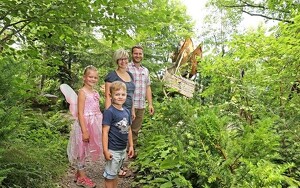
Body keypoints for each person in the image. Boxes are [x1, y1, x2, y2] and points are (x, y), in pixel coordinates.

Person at [67, 65, 102, 188]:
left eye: (95, 77)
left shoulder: (96, 92)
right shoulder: (82, 92)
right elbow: (80, 113)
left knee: (88, 148)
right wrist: (84, 131)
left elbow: (97, 108)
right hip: (85, 124)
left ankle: (78, 173)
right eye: (90, 77)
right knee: (81, 149)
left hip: (95, 123)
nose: (93, 79)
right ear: (84, 78)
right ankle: (82, 177)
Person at [102, 81, 134, 188]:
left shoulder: (126, 111)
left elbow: (129, 129)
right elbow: (105, 132)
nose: (120, 97)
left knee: (115, 173)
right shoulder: (109, 112)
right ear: (111, 96)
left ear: (126, 95)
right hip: (113, 149)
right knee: (109, 176)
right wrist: (105, 150)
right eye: (117, 94)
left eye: (123, 94)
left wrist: (131, 146)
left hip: (122, 149)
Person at [127, 45, 154, 155]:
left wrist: (150, 104)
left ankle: (130, 153)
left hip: (141, 105)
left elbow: (148, 87)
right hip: (128, 105)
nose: (138, 55)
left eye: (140, 53)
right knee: (124, 128)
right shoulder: (127, 68)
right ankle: (118, 155)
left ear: (142, 55)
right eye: (135, 53)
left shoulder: (145, 70)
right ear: (132, 54)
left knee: (135, 131)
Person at [104, 48, 136, 120]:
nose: (123, 61)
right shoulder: (112, 76)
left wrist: (132, 110)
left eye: (125, 59)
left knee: (128, 131)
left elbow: (131, 95)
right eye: (120, 59)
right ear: (117, 61)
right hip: (116, 112)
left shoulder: (130, 75)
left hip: (128, 111)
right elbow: (107, 96)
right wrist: (108, 114)